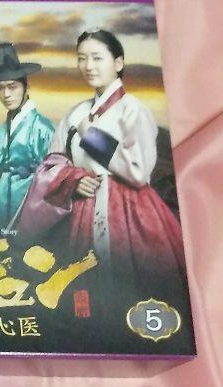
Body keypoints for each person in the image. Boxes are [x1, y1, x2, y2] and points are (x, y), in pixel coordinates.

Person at [16, 29, 186, 279]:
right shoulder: (75, 113)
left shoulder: (133, 110)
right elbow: (52, 160)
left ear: (118, 63)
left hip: (129, 215)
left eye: (97, 58)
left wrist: (92, 137)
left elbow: (138, 172)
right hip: (81, 210)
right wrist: (72, 179)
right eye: (82, 58)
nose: (88, 66)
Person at [0, 43, 54, 229]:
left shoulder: (42, 127)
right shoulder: (3, 129)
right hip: (3, 201)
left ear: (25, 86)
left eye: (12, 86)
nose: (6, 94)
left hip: (33, 205)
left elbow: (56, 176)